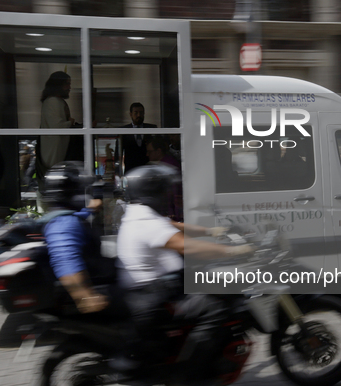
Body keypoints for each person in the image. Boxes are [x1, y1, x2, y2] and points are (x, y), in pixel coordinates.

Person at [116, 164, 252, 383]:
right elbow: (187, 246)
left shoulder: (137, 213)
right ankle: (192, 372)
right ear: (152, 192)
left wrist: (211, 231)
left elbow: (172, 226)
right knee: (215, 307)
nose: (167, 195)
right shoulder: (145, 222)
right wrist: (233, 250)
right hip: (153, 297)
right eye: (163, 190)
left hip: (148, 291)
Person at [42, 161, 113, 314]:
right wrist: (85, 297)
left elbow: (76, 218)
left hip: (99, 278)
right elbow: (65, 260)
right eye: (81, 189)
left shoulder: (64, 216)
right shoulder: (64, 223)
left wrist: (91, 210)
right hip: (97, 291)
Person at [36, 71, 78, 190]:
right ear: (58, 84)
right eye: (67, 84)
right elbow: (57, 126)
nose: (69, 87)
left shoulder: (57, 101)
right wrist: (70, 122)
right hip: (53, 155)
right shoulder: (52, 102)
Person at [118, 102, 157, 173]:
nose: (139, 115)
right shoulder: (124, 130)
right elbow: (118, 152)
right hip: (131, 168)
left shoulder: (152, 128)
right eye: (136, 113)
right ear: (130, 114)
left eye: (141, 113)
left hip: (148, 168)